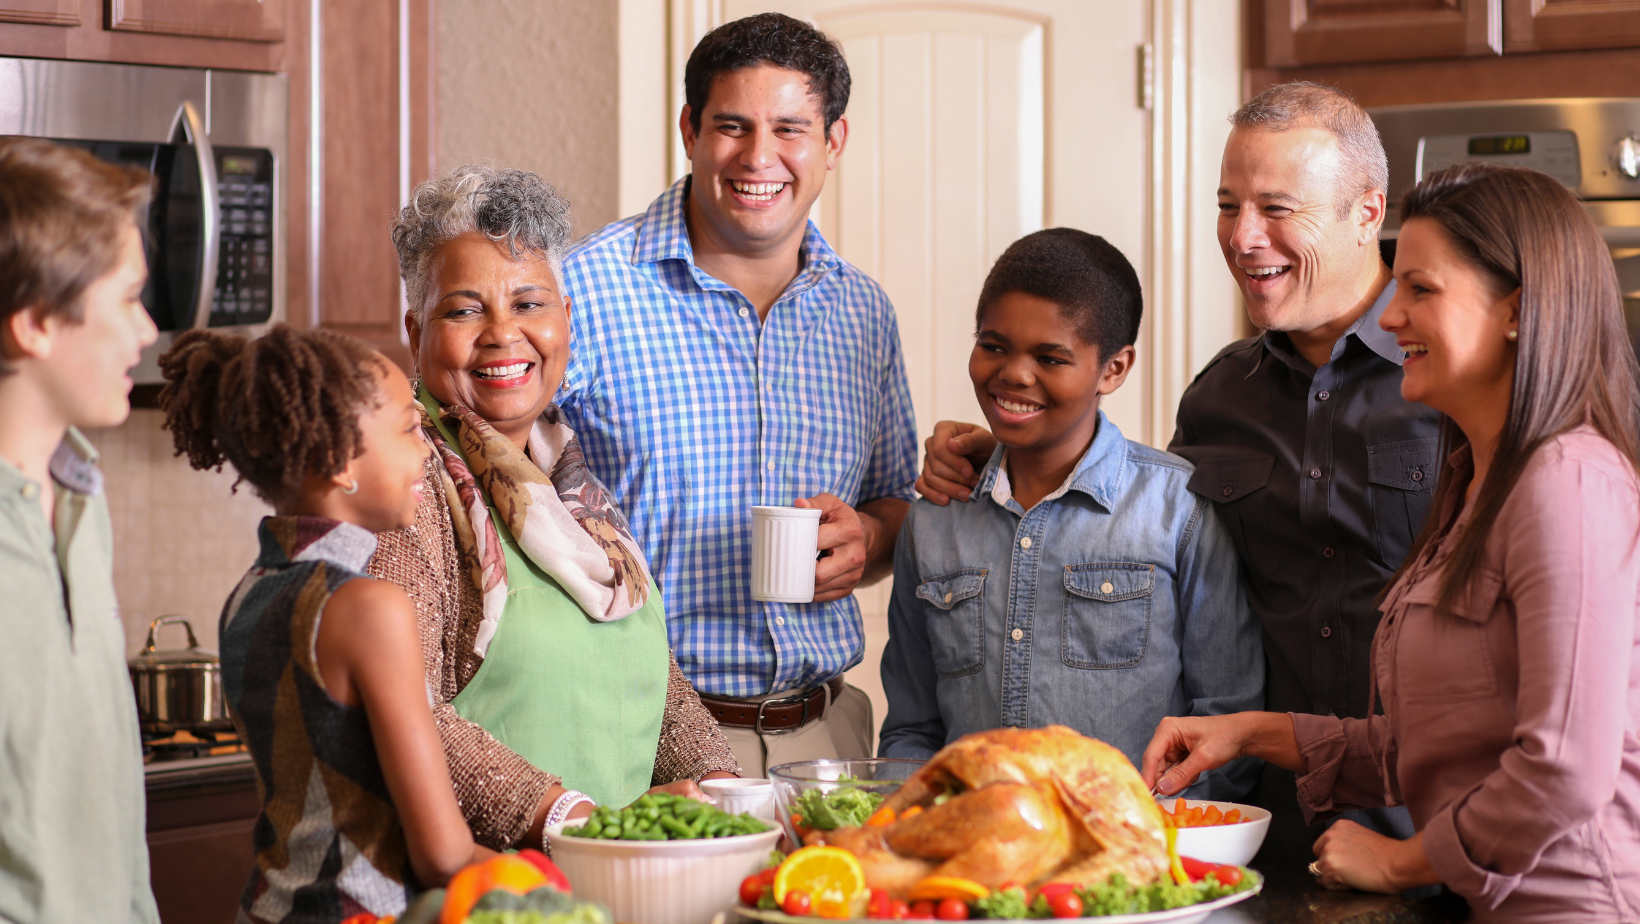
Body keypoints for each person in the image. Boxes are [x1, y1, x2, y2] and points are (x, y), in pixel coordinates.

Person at [914, 82, 1437, 858]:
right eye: (1229, 206)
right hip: (1264, 829)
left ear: (1368, 211)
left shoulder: (1453, 378)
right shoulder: (1221, 396)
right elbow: (1136, 525)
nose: (1243, 237)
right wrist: (1019, 447)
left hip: (1435, 821)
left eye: (1277, 208)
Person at [1141, 161, 1640, 922]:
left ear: (1515, 310)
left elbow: (1565, 770)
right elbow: (1440, 741)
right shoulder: (1474, 479)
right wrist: (1247, 734)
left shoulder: (1567, 480)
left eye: (1420, 290)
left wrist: (1403, 861)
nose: (1392, 316)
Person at [558, 13, 917, 774]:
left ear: (834, 143)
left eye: (790, 128)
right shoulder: (579, 291)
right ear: (690, 130)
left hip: (829, 736)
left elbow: (893, 498)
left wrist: (870, 542)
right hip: (635, 737)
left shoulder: (863, 311)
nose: (760, 156)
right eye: (732, 125)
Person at [369, 165, 740, 853]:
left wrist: (720, 788)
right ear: (415, 330)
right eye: (464, 309)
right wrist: (578, 821)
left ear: (565, 321)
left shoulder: (570, 477)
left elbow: (641, 668)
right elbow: (405, 711)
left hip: (619, 877)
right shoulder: (408, 487)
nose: (503, 334)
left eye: (529, 304)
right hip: (504, 890)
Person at [877, 229, 1264, 795]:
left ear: (1114, 368)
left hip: (1135, 861)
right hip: (978, 865)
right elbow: (912, 731)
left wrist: (1149, 840)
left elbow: (1225, 730)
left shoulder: (1178, 511)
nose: (1014, 373)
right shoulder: (934, 521)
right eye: (993, 345)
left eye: (1050, 357)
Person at [159, 326, 490, 922]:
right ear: (338, 461)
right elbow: (442, 854)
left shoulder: (246, 596)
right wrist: (562, 875)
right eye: (410, 428)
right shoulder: (372, 607)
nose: (427, 448)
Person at [0, 138, 160, 923]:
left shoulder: (80, 496)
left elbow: (111, 801)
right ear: (35, 323)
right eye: (128, 298)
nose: (148, 329)